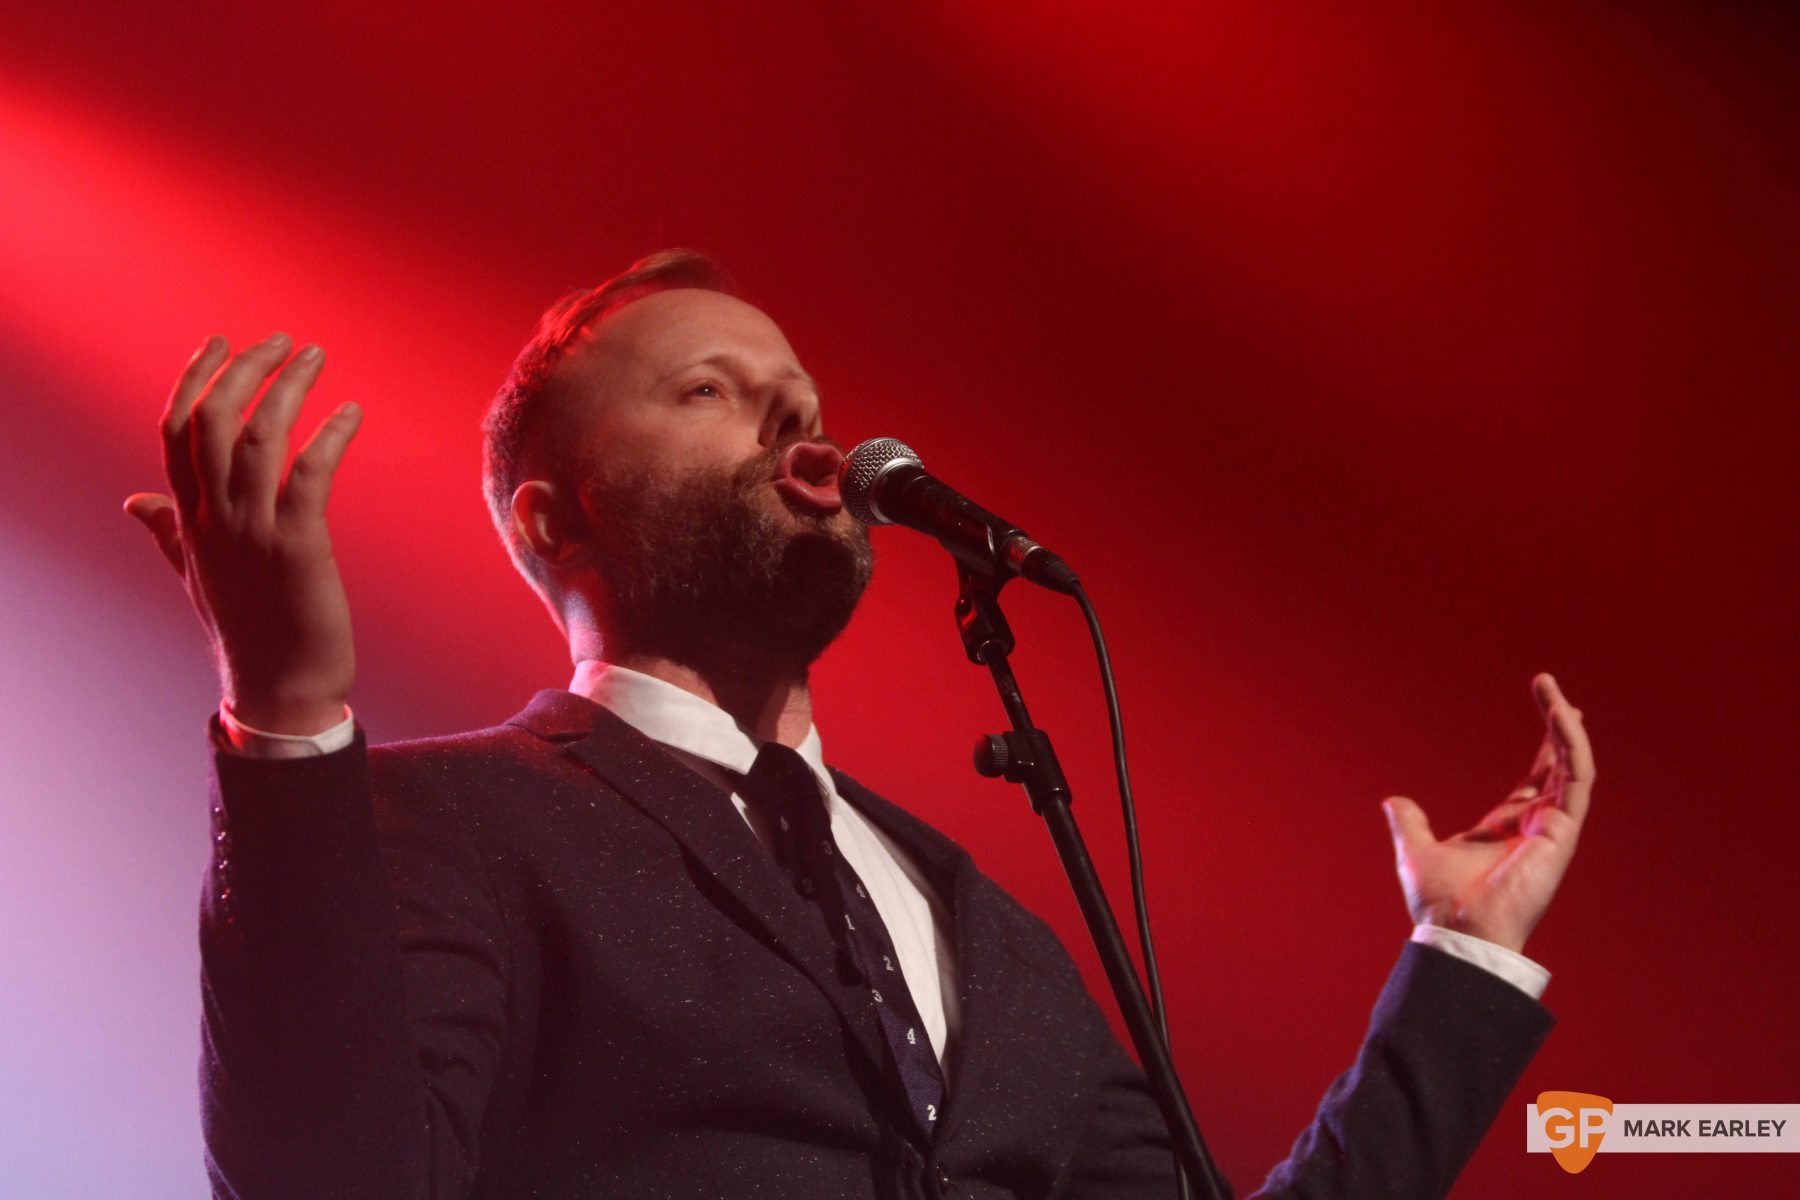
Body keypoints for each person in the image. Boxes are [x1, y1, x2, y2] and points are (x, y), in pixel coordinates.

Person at [124, 250, 1596, 1199]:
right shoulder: (445, 820)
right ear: (554, 519)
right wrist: (288, 715)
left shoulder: (979, 922)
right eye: (710, 391)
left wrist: (1459, 961)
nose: (796, 423)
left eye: (802, 396)